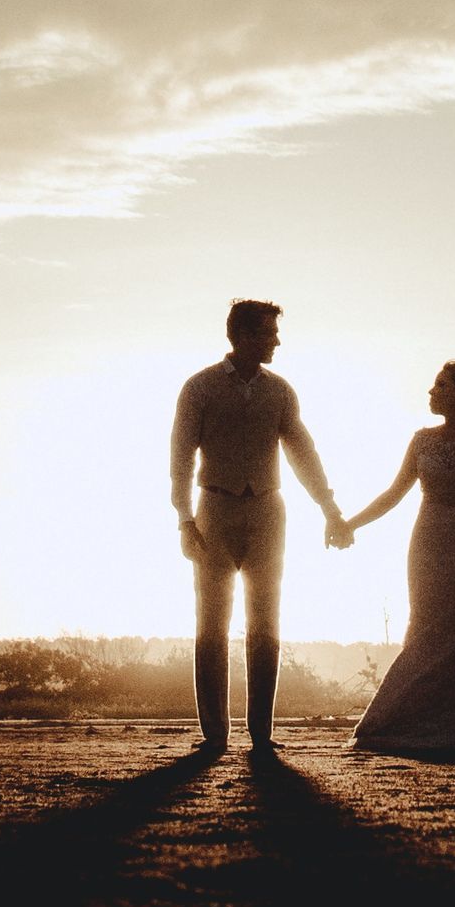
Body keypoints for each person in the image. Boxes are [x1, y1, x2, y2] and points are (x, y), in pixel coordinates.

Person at [170, 299, 351, 753]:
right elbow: (180, 458)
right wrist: (185, 519)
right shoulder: (200, 388)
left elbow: (302, 451)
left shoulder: (280, 391)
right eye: (269, 332)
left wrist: (329, 507)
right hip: (214, 510)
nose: (277, 340)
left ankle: (261, 733)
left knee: (265, 620)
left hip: (268, 512)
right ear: (244, 335)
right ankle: (214, 733)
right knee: (211, 623)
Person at [343, 360, 455, 757]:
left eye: (439, 386)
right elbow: (393, 494)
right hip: (429, 544)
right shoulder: (422, 440)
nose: (430, 392)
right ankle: (403, 717)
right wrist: (350, 524)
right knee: (426, 628)